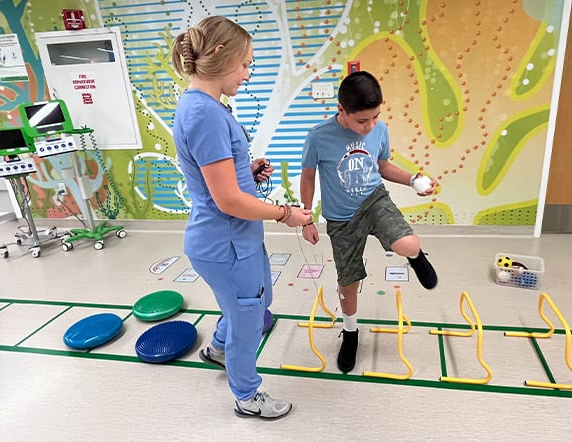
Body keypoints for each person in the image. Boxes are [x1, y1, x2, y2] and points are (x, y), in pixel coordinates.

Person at [171, 16, 310, 420]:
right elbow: (228, 200)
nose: (248, 74)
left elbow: (219, 179)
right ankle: (248, 396)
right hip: (225, 242)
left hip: (234, 239)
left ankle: (217, 349)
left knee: (254, 303)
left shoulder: (204, 105)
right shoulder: (205, 114)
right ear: (220, 55)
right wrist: (286, 214)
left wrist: (247, 172)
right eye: (245, 64)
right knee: (249, 319)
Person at [299, 70, 438, 374]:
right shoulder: (318, 136)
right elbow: (308, 176)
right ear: (341, 110)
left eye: (375, 117)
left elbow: (383, 166)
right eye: (362, 120)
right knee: (348, 284)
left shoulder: (379, 129)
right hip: (340, 218)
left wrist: (413, 179)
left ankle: (416, 257)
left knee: (408, 242)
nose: (370, 125)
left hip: (374, 201)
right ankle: (351, 334)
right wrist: (306, 218)